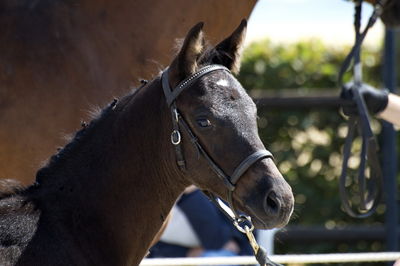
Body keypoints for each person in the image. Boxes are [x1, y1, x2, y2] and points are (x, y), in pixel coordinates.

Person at [148, 186, 253, 260]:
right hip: (176, 257)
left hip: (230, 251)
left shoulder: (197, 194)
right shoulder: (150, 206)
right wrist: (187, 253)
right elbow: (152, 249)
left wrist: (190, 193)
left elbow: (217, 239)